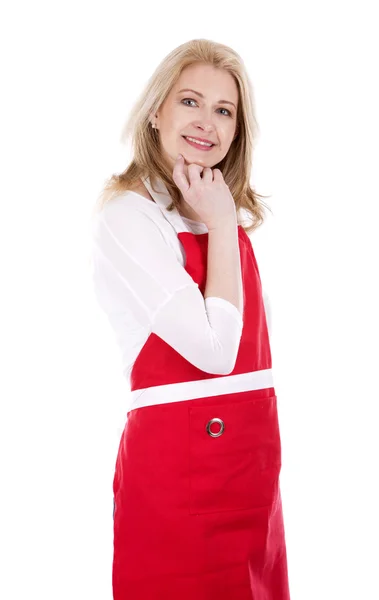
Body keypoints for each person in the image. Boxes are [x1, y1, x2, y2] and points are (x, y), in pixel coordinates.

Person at [91, 38, 291, 600]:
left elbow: (255, 361)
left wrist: (223, 222)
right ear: (157, 112)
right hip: (178, 484)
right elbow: (215, 351)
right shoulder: (131, 215)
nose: (207, 123)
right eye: (190, 101)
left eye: (224, 110)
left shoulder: (219, 216)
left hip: (250, 478)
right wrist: (223, 225)